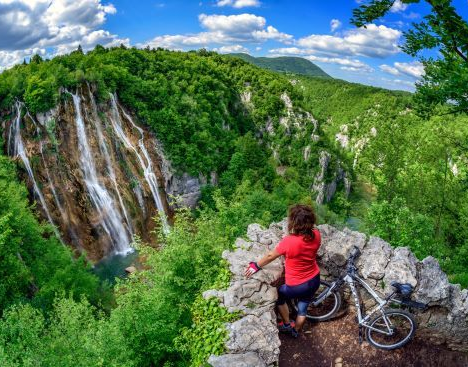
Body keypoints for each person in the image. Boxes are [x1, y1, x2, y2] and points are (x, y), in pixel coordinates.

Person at [244, 204, 321, 338]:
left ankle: (286, 325)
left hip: (297, 284)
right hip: (314, 279)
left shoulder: (290, 241)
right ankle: (296, 331)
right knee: (303, 307)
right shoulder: (316, 234)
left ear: (294, 223)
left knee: (279, 296)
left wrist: (256, 265)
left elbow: (270, 256)